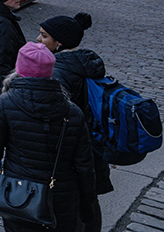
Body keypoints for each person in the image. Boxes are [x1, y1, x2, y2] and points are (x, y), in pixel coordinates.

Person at [0, 42, 96, 232]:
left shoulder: (4, 104)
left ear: (19, 68)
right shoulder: (72, 111)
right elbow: (84, 164)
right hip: (61, 198)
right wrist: (87, 204)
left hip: (19, 195)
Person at [38, 13, 110, 232]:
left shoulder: (57, 71)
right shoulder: (87, 62)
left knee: (70, 205)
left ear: (59, 42)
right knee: (89, 199)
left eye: (44, 36)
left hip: (70, 149)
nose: (38, 39)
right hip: (93, 142)